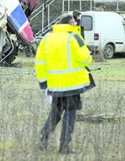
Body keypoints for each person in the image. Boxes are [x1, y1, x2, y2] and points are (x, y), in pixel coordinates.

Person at [35, 14, 94, 154]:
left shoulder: (47, 38)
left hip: (55, 85)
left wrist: (44, 83)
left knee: (55, 113)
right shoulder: (74, 38)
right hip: (72, 85)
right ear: (72, 24)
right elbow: (86, 59)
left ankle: (43, 141)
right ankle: (64, 146)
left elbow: (39, 63)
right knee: (70, 114)